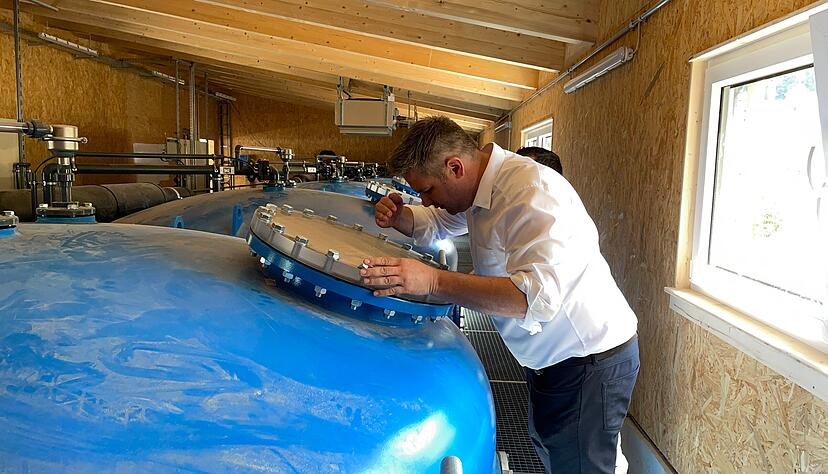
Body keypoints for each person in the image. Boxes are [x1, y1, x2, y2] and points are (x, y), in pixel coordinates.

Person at [360, 117, 639, 474]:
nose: (427, 200)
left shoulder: (529, 191)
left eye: (428, 190)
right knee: (557, 451)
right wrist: (402, 218)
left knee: (581, 464)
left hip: (587, 360)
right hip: (552, 361)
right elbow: (441, 222)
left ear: (455, 168)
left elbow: (532, 299)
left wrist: (433, 281)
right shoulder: (481, 191)